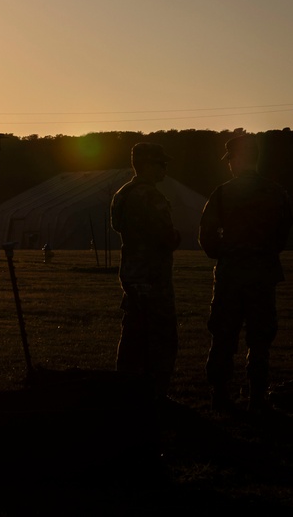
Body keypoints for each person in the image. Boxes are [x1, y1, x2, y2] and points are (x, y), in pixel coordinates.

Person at [199, 134, 293, 413]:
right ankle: (257, 397)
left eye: (230, 160)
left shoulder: (223, 192)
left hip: (230, 275)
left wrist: (223, 254)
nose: (229, 165)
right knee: (260, 338)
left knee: (223, 335)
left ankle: (220, 395)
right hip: (263, 274)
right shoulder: (276, 193)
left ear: (238, 159)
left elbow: (205, 234)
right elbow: (284, 232)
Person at [109, 142, 180, 401]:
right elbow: (167, 236)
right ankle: (156, 393)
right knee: (161, 338)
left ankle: (126, 390)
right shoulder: (152, 196)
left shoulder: (122, 194)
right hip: (154, 276)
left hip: (131, 274)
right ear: (147, 164)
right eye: (161, 163)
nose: (165, 169)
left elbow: (118, 226)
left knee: (132, 335)